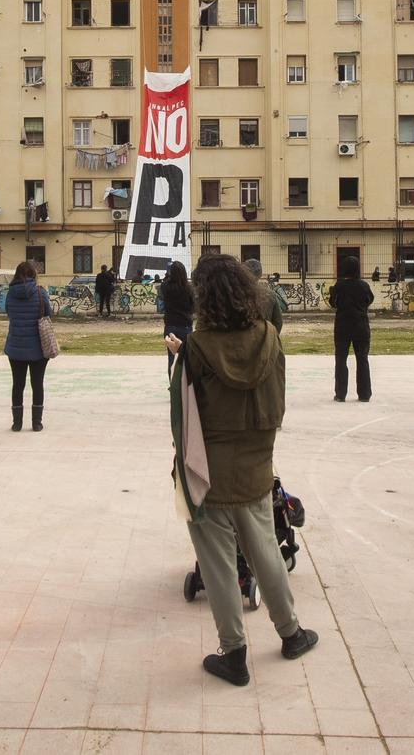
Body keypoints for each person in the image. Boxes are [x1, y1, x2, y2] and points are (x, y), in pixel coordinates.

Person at [175, 254, 318, 685]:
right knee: (267, 553)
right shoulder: (271, 337)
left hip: (208, 469)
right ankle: (291, 633)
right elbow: (277, 402)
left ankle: (234, 653)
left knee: (217, 564)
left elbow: (183, 415)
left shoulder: (197, 347)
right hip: (257, 461)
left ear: (204, 298)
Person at [0, 261, 54, 431]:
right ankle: (37, 423)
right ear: (34, 274)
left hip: (15, 346)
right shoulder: (40, 292)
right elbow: (48, 313)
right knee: (37, 383)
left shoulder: (10, 294)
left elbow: (8, 312)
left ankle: (17, 423)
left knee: (18, 384)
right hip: (38, 346)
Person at [328, 260, 374, 402]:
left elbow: (333, 303)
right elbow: (369, 300)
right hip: (361, 326)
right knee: (362, 359)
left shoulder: (339, 285)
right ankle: (364, 394)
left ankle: (341, 394)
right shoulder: (364, 286)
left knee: (341, 359)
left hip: (343, 326)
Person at [159, 261, 195, 372]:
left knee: (171, 358)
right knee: (187, 357)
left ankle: (172, 385)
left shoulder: (165, 286)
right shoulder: (189, 288)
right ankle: (186, 384)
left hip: (170, 324)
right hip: (185, 324)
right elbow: (193, 306)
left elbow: (162, 295)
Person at [243, 258, 286, 331]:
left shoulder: (235, 293)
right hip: (264, 337)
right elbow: (278, 322)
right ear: (260, 274)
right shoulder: (270, 294)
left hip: (243, 340)